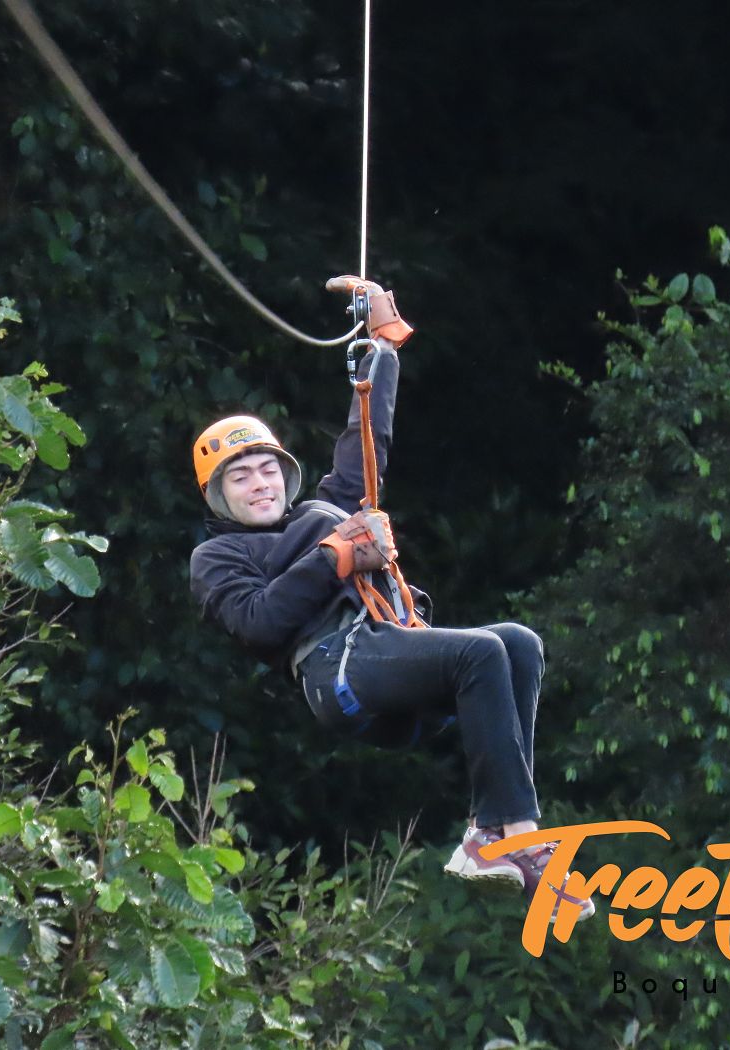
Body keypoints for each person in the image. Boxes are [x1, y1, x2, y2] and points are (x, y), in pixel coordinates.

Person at [188, 278, 594, 922]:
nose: (260, 484)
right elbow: (259, 622)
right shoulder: (218, 557)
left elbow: (365, 446)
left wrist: (384, 349)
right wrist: (337, 557)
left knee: (518, 643)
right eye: (241, 477)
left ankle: (493, 831)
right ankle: (515, 839)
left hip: (387, 646)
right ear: (219, 495)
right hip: (337, 669)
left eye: (267, 470)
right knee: (480, 652)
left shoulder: (322, 510)